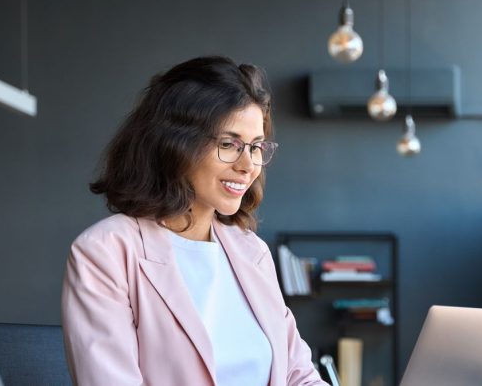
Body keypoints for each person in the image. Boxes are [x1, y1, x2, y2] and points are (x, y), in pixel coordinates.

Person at [61, 56, 328, 386]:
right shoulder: (105, 252)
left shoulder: (253, 253)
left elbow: (297, 374)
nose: (248, 165)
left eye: (256, 147)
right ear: (176, 145)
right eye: (229, 144)